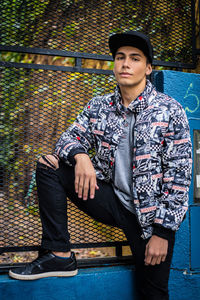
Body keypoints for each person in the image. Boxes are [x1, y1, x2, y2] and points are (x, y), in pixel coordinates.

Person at [9, 31, 192, 299]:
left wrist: (163, 233)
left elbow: (179, 175)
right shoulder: (100, 106)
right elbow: (67, 139)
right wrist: (80, 156)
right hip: (111, 199)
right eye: (120, 58)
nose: (125, 64)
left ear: (148, 68)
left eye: (134, 58)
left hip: (151, 219)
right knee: (49, 165)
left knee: (152, 293)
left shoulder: (170, 110)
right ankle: (59, 253)